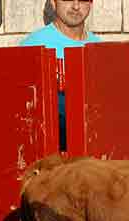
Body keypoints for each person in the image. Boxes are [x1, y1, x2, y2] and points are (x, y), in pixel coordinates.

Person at [20, 0, 102, 150]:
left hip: (93, 152)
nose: (76, 6)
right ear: (53, 2)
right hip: (51, 156)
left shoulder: (99, 47)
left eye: (83, 0)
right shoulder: (33, 46)